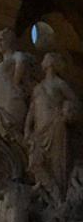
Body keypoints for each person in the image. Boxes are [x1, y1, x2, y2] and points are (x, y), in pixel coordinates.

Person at [24, 52, 81, 202]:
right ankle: (47, 198)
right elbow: (31, 110)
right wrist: (27, 130)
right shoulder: (38, 88)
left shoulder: (59, 83)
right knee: (36, 163)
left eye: (46, 58)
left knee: (58, 164)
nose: (43, 60)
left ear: (51, 63)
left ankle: (60, 199)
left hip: (56, 127)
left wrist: (66, 111)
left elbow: (75, 103)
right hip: (40, 131)